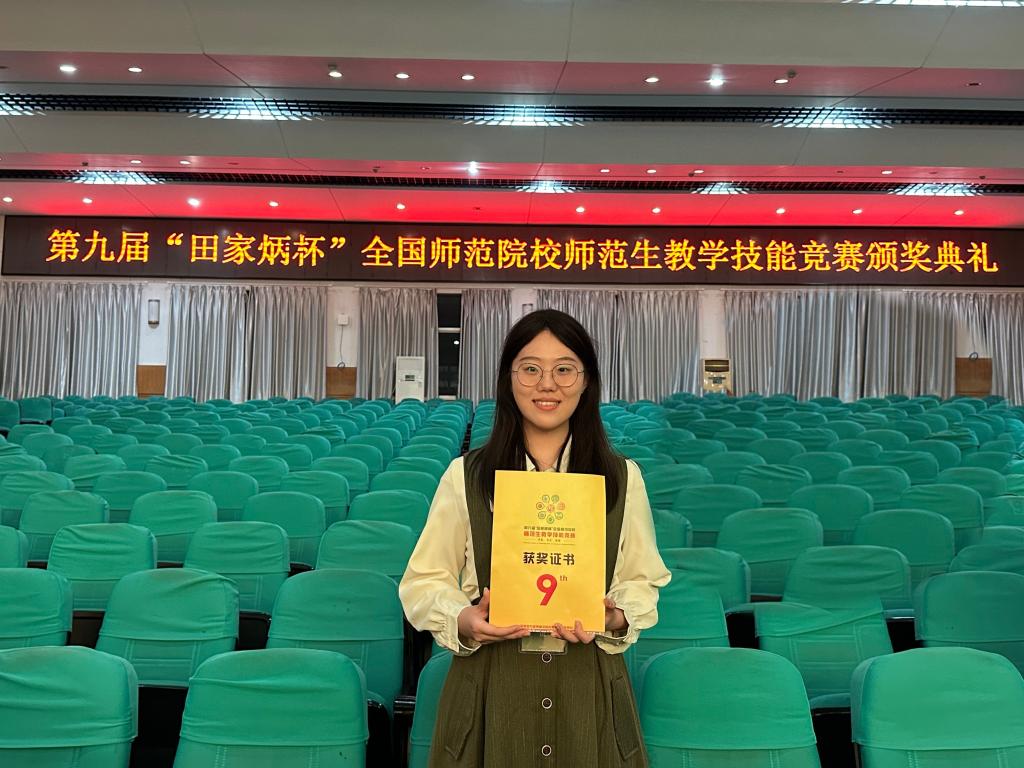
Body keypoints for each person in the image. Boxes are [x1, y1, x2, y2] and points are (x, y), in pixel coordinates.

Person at [400, 308, 671, 767]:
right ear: (509, 380)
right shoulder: (466, 476)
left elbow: (642, 579)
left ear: (586, 382)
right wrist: (463, 618)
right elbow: (424, 580)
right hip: (490, 690)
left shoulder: (623, 479)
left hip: (589, 691)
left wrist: (616, 615)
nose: (547, 385)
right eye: (530, 369)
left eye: (564, 369)